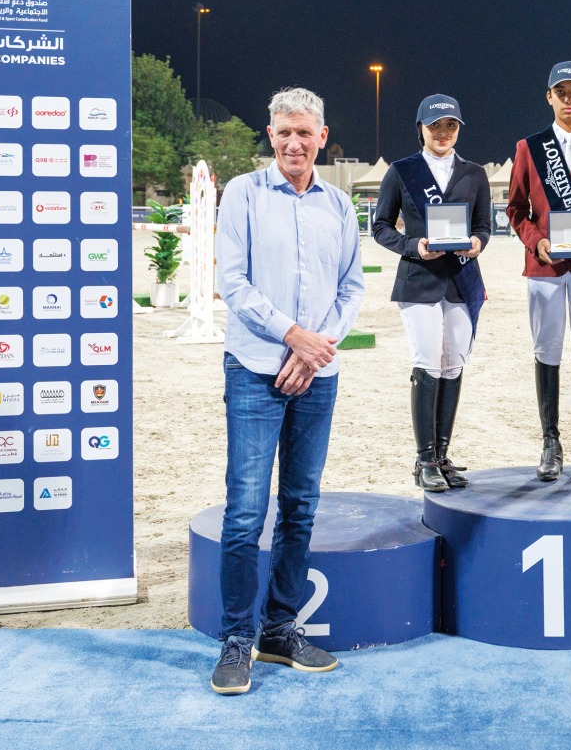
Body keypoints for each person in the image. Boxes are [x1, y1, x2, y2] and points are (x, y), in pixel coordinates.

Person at [211, 87, 365, 695]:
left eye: (305, 132)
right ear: (269, 137)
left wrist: (318, 346)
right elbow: (233, 282)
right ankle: (235, 639)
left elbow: (351, 288)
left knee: (300, 506)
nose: (294, 143)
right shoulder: (242, 194)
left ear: (322, 136)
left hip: (316, 375)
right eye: (283, 134)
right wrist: (294, 336)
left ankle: (278, 628)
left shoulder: (340, 205)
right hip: (254, 369)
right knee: (246, 512)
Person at [372, 94, 491, 492]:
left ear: (459, 128)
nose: (442, 133)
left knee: (454, 363)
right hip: (419, 280)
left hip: (460, 281)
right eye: (435, 126)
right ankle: (424, 459)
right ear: (421, 127)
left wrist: (477, 243)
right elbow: (381, 226)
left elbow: (484, 227)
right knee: (427, 361)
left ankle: (442, 454)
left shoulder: (474, 173)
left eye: (450, 126)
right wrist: (414, 246)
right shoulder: (401, 171)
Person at [507, 62, 571, 482]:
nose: (569, 99)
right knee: (547, 351)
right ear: (548, 96)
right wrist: (537, 241)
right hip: (545, 267)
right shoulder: (528, 148)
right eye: (561, 92)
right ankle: (551, 442)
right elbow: (515, 210)